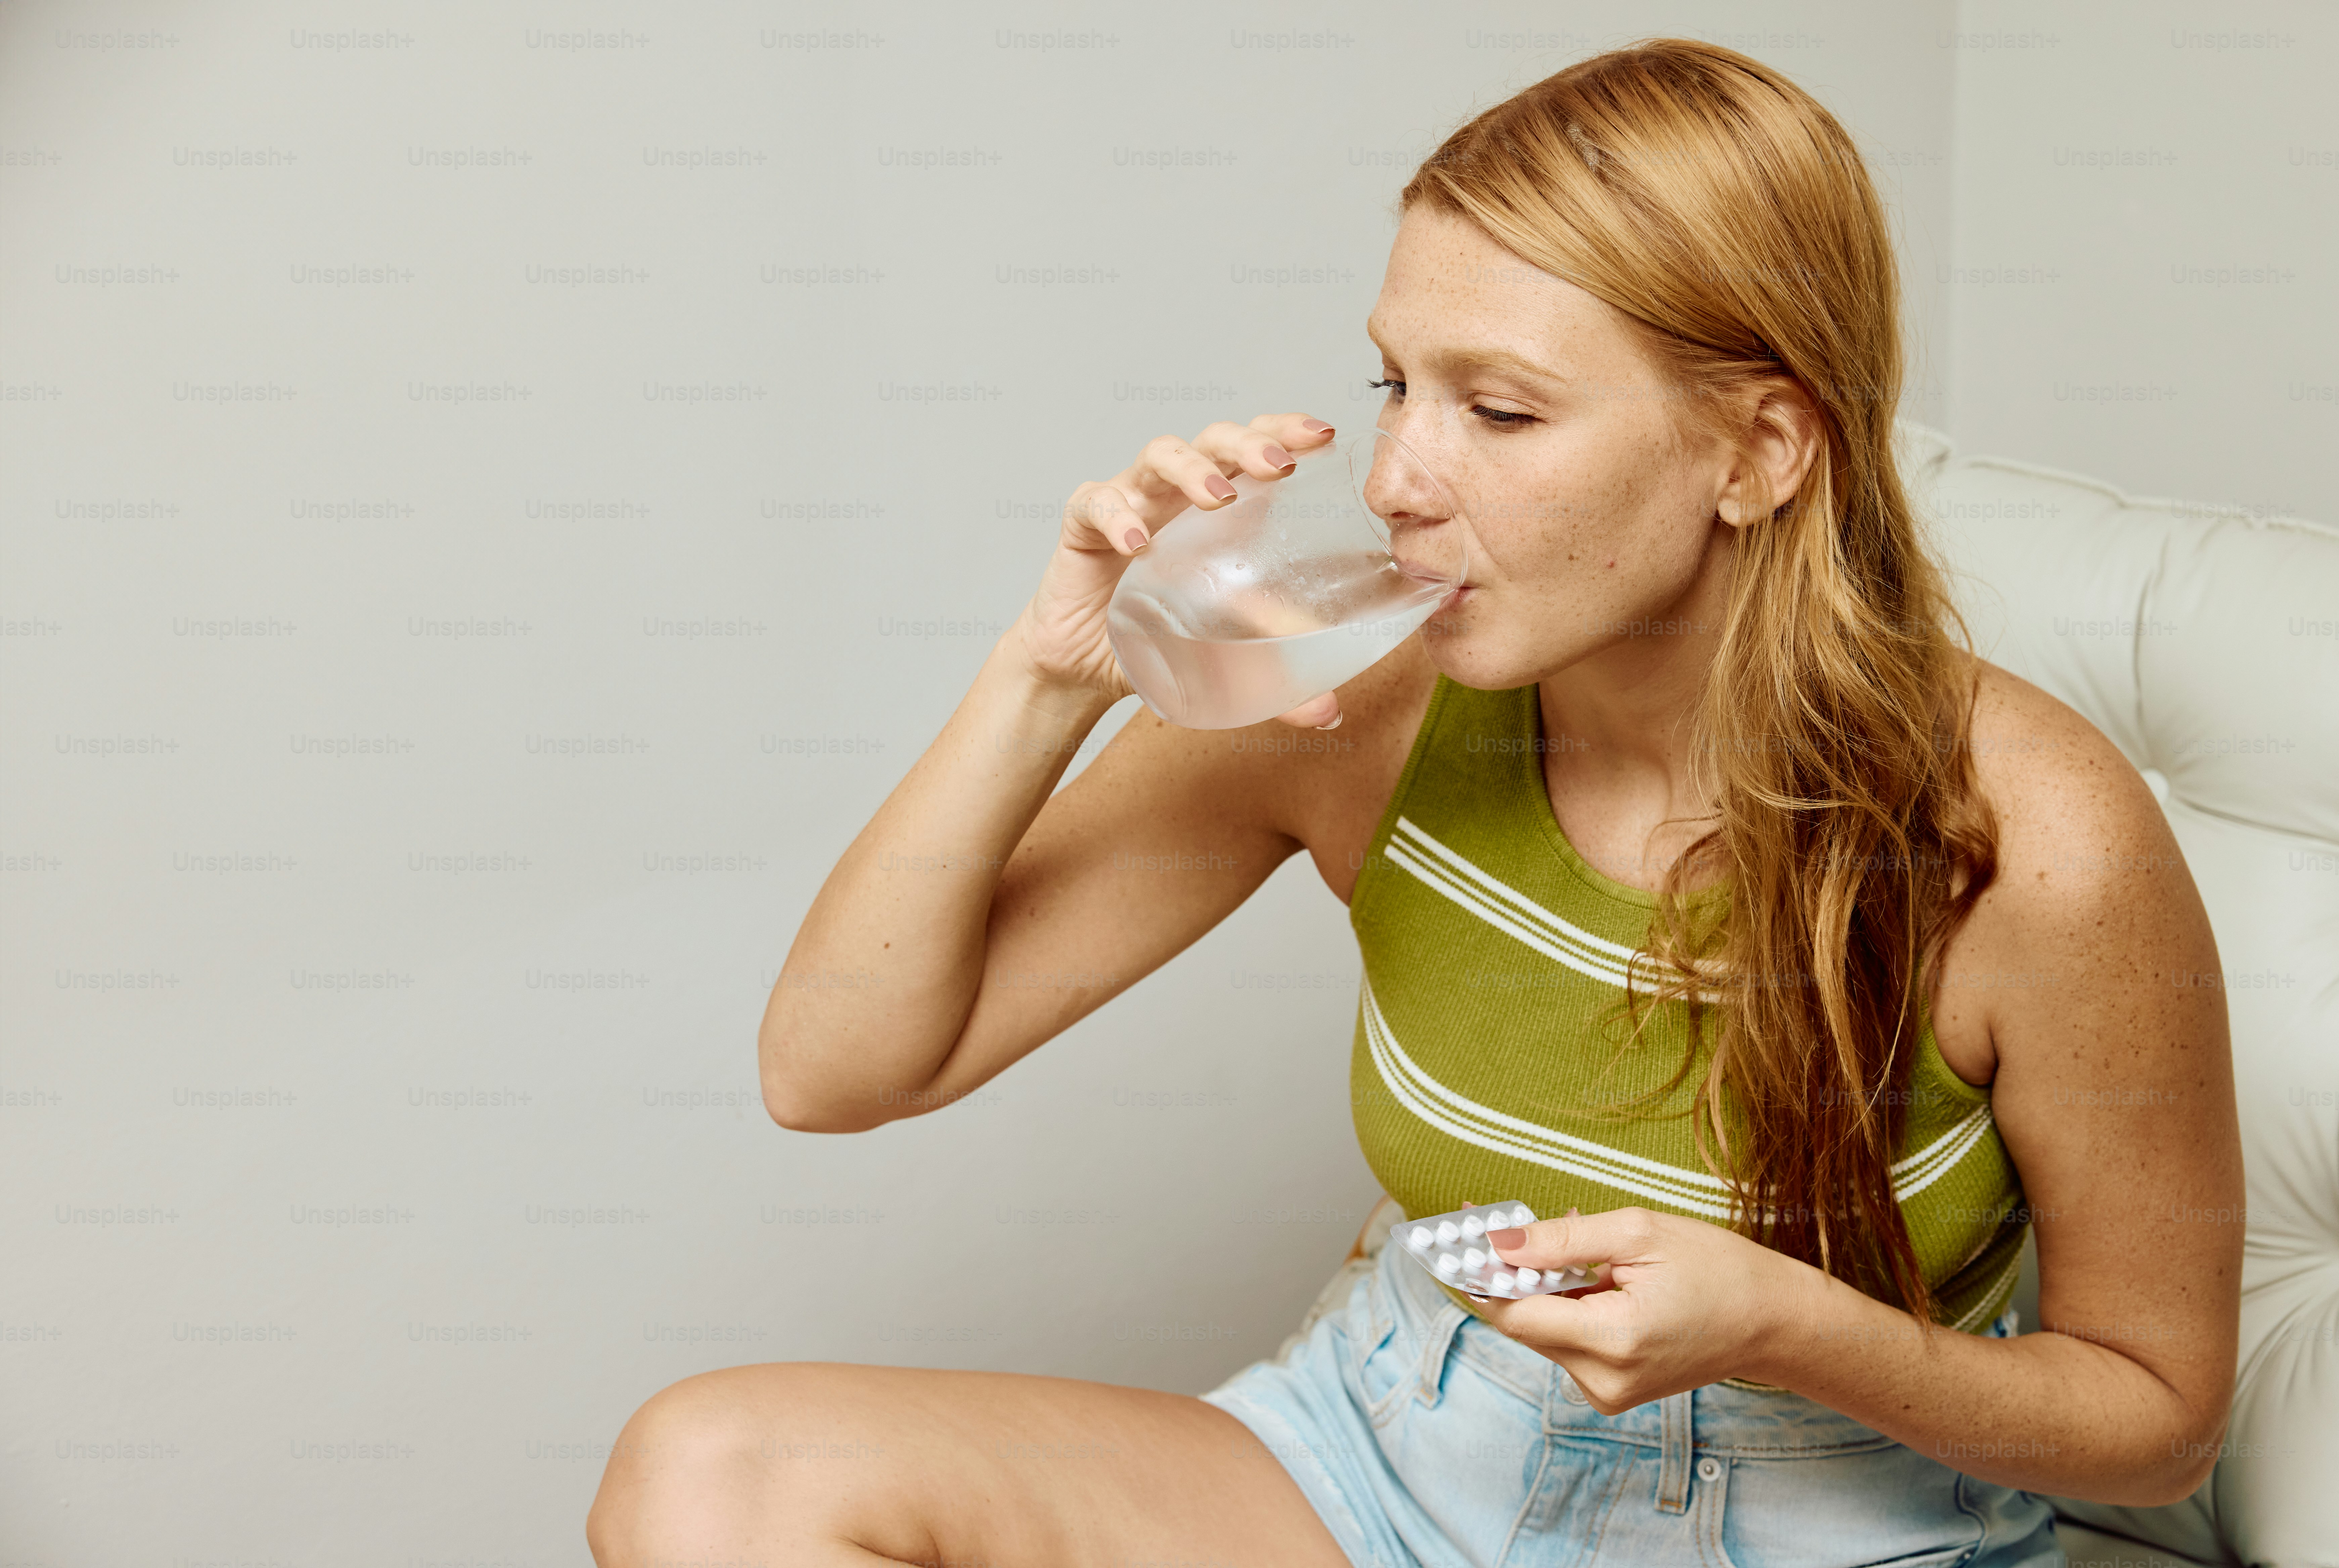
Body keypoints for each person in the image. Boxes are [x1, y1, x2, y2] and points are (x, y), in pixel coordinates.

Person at [587, 37, 2242, 1568]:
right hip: (1386, 1457)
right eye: (1395, 385)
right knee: (715, 1472)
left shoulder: (2033, 842)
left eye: (1498, 410)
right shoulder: (1361, 702)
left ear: (1758, 451)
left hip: (1823, 1517)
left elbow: (2157, 1424)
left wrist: (1785, 1325)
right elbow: (833, 1068)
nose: (1393, 480)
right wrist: (1043, 675)